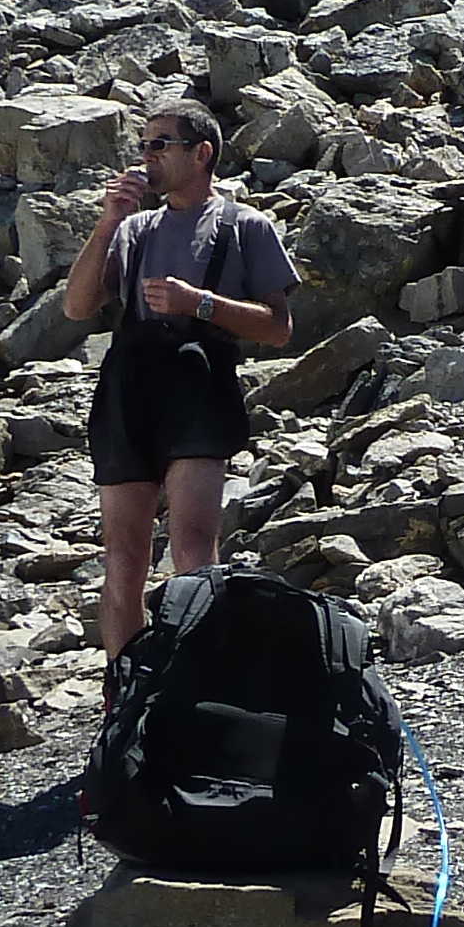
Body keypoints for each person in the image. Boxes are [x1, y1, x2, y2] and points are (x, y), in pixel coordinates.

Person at [62, 97, 298, 656]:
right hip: (129, 387)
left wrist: (202, 304)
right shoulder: (134, 228)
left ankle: (202, 676)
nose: (147, 157)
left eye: (159, 144)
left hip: (198, 386)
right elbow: (76, 307)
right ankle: (123, 699)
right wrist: (108, 221)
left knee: (192, 547)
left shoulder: (245, 225)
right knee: (122, 557)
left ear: (202, 153)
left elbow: (279, 329)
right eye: (143, 145)